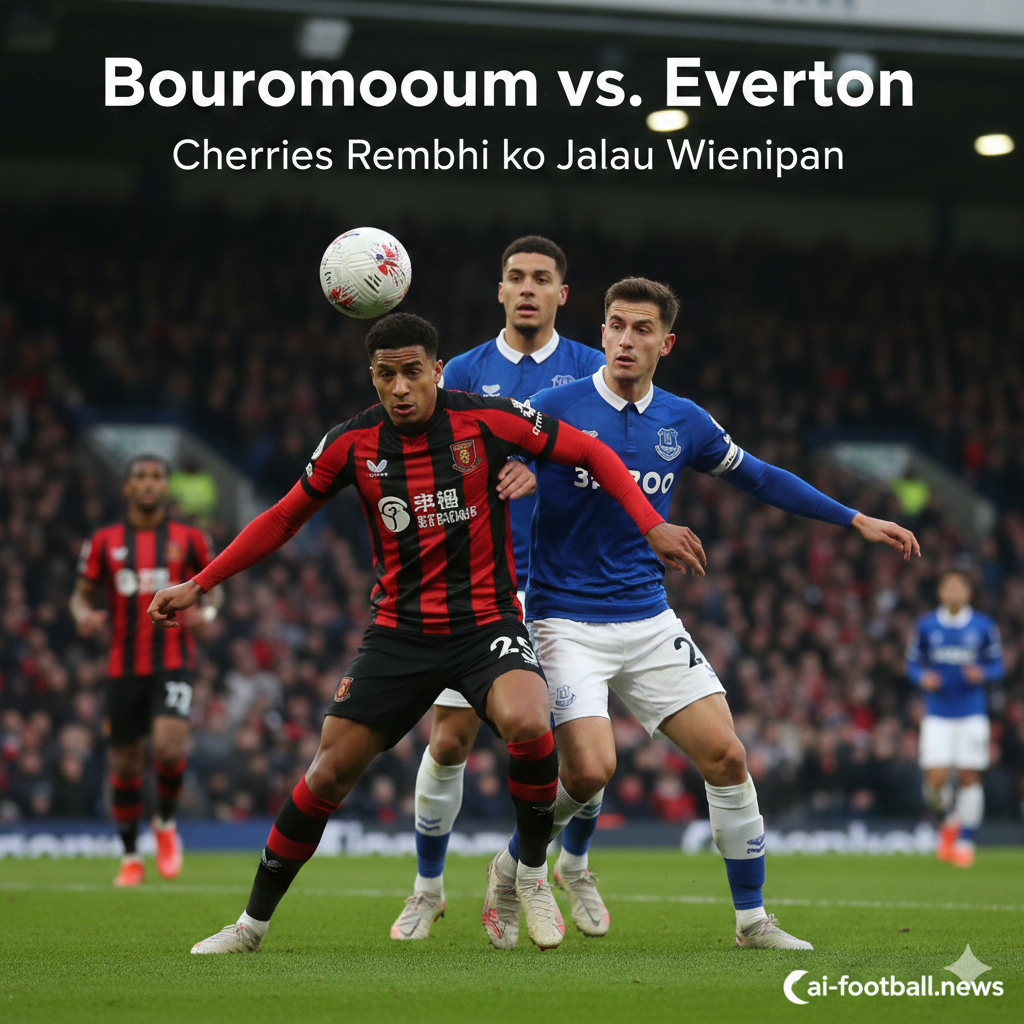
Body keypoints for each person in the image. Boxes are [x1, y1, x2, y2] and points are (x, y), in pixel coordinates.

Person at [148, 312, 705, 954]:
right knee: (328, 773)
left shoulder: (487, 419)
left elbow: (592, 452)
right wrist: (202, 582)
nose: (401, 387)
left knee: (529, 720)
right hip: (399, 634)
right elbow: (281, 518)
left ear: (438, 371)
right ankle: (250, 925)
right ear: (374, 378)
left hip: (486, 622)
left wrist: (648, 524)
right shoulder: (349, 444)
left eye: (414, 371)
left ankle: (526, 874)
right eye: (387, 375)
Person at [480, 278, 921, 951]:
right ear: (600, 332)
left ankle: (752, 921)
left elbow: (761, 476)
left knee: (727, 755)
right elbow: (482, 460)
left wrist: (853, 517)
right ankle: (517, 864)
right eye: (617, 326)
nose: (627, 339)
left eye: (642, 329)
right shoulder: (552, 406)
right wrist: (514, 473)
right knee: (591, 772)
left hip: (648, 618)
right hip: (563, 619)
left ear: (666, 342)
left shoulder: (683, 420)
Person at [393, 235, 605, 941]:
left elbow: (611, 461)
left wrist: (538, 470)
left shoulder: (595, 370)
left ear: (561, 295)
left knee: (583, 755)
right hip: (482, 583)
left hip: (571, 585)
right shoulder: (461, 372)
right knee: (450, 739)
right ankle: (427, 888)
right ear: (499, 289)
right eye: (515, 277)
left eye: (542, 279)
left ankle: (560, 865)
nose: (527, 289)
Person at [70, 455, 215, 886]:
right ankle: (131, 857)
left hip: (175, 660)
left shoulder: (190, 538)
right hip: (123, 666)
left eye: (156, 477)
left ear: (167, 487)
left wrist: (208, 613)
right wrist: (81, 613)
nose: (149, 484)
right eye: (141, 477)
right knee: (127, 764)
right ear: (128, 488)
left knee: (169, 750)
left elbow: (215, 588)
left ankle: (166, 825)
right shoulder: (104, 540)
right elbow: (80, 596)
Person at [905, 570, 1004, 867]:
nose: (954, 591)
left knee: (969, 776)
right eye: (949, 586)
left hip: (972, 712)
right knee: (934, 781)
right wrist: (923, 677)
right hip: (937, 713)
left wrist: (983, 674)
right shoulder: (926, 625)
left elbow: (998, 665)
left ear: (968, 592)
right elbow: (912, 664)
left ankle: (964, 841)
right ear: (941, 592)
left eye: (960, 586)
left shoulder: (983, 626)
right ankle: (948, 819)